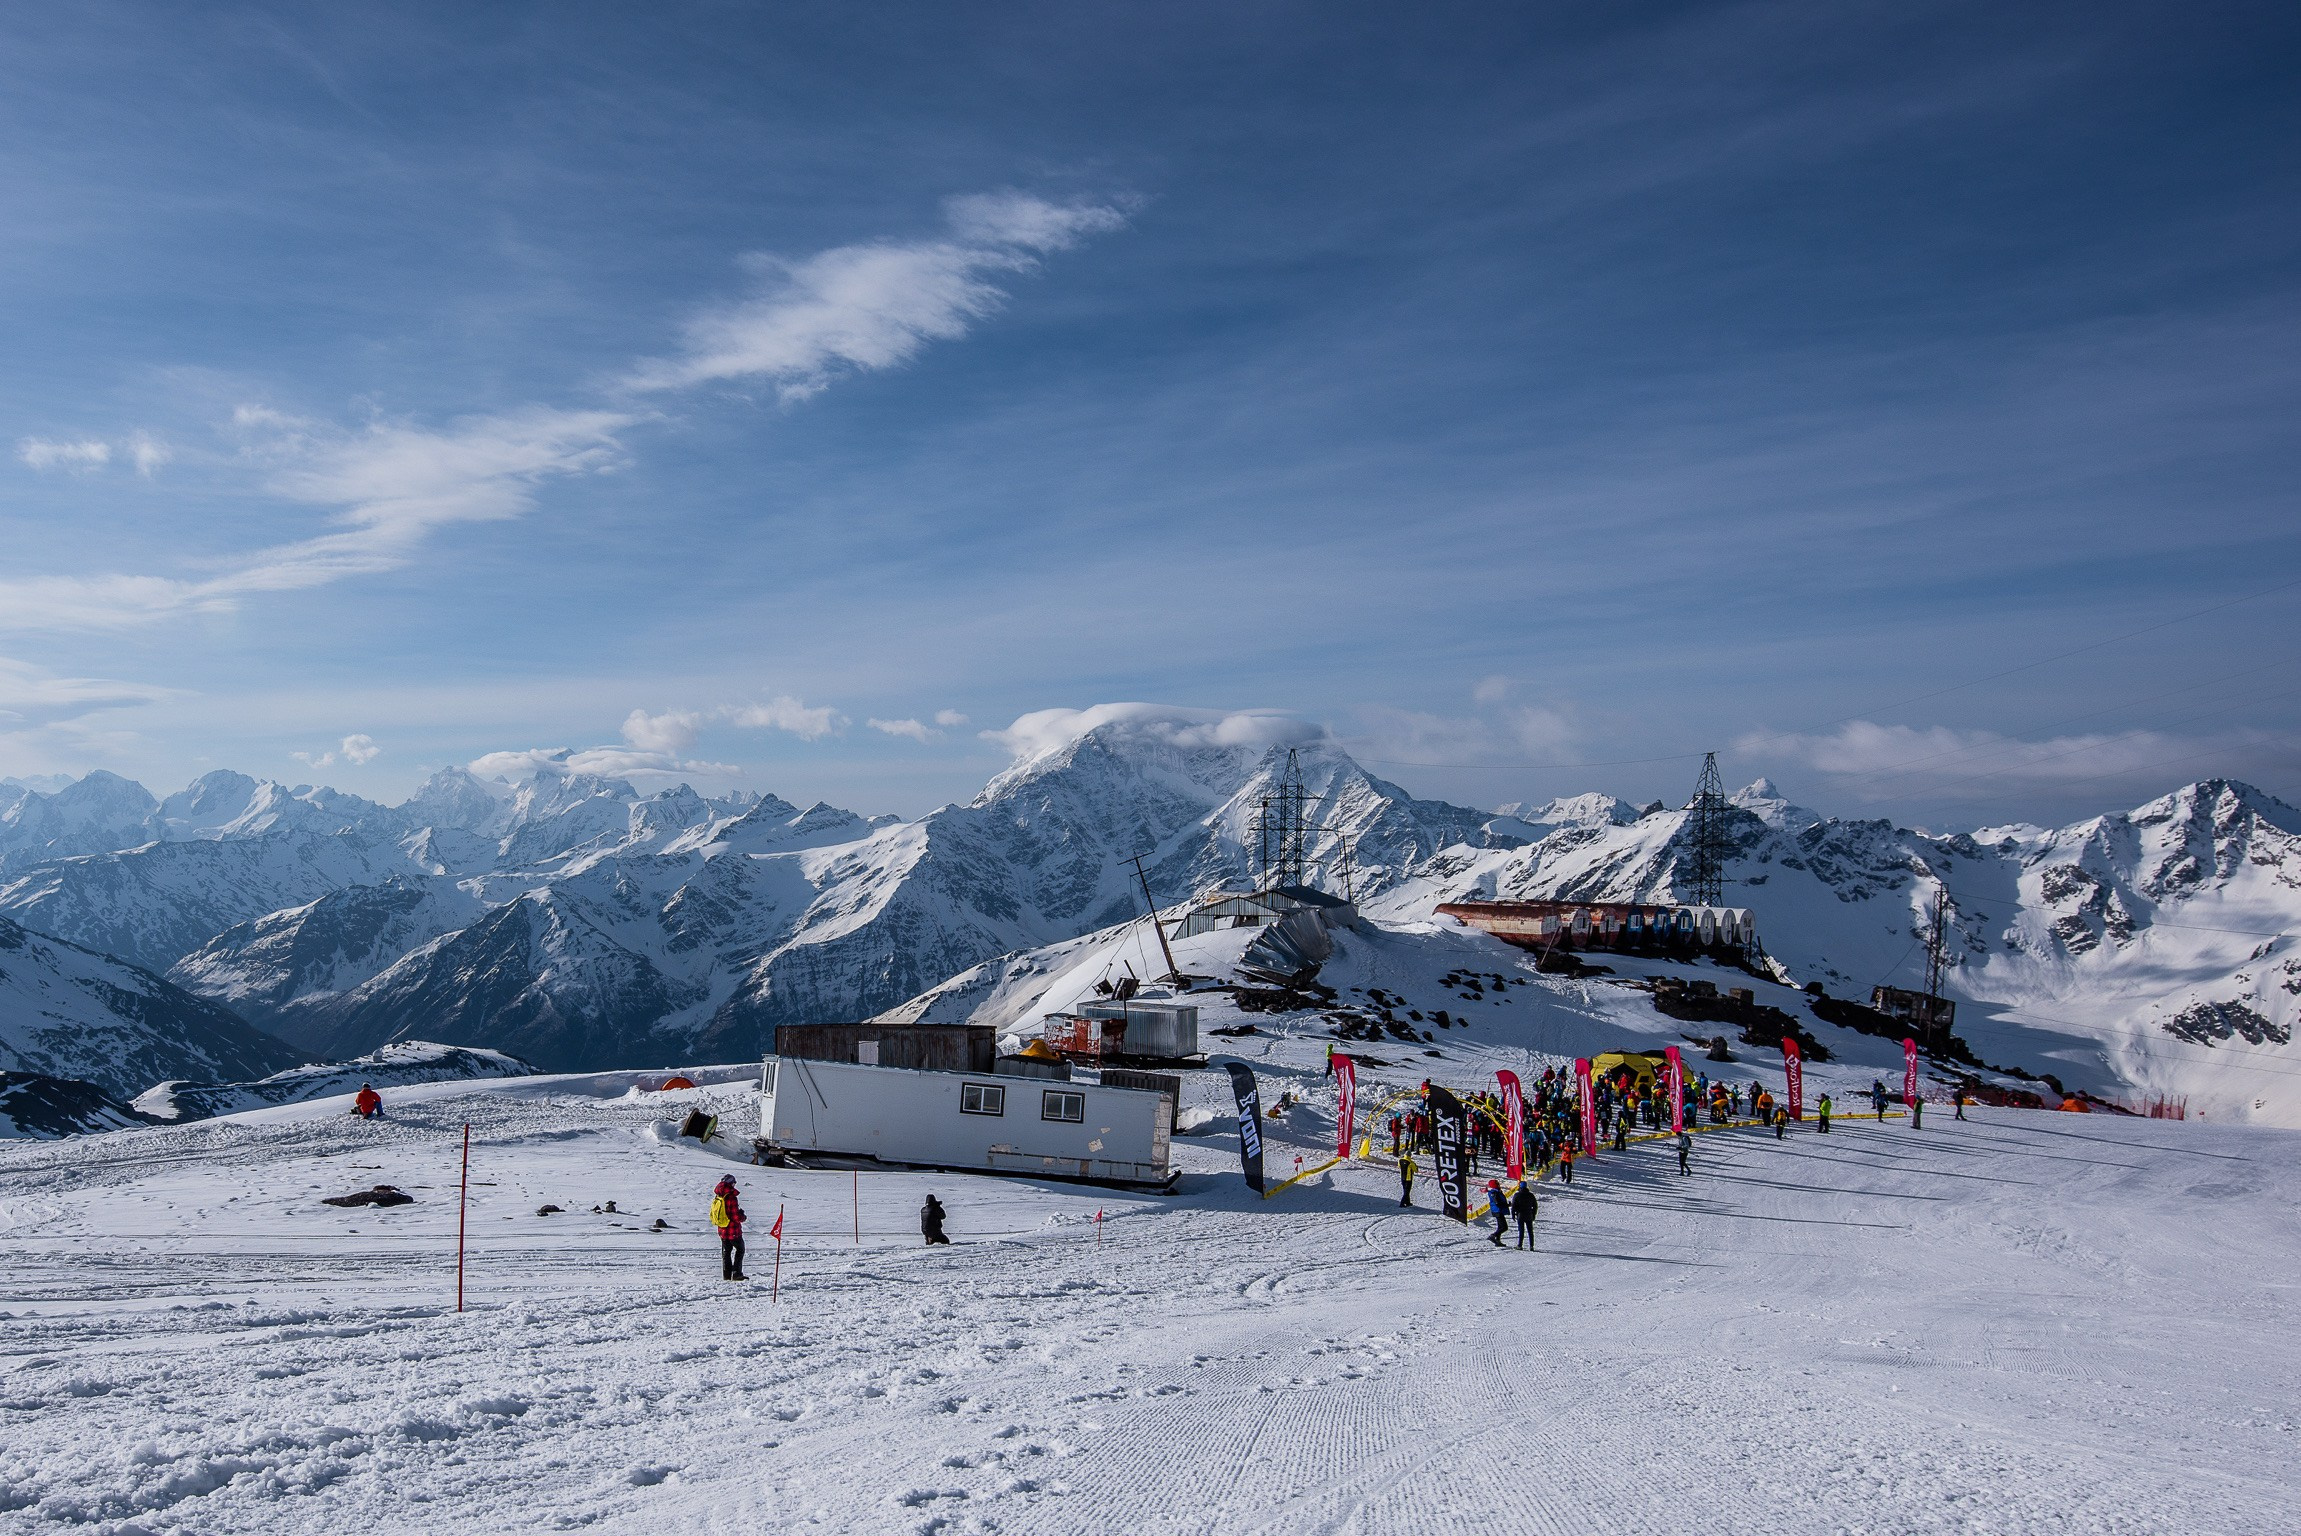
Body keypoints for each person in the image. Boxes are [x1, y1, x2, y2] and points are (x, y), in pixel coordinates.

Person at [710, 1175, 746, 1280]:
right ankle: (736, 1273)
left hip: (722, 1230)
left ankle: (726, 1275)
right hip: (733, 1230)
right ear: (730, 1184)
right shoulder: (731, 1197)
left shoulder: (718, 1195)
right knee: (740, 1249)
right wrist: (742, 1216)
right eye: (734, 1183)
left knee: (726, 1252)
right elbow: (736, 1217)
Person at [1510, 1181, 1539, 1249]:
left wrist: (1513, 1214)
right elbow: (1535, 1205)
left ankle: (1520, 1245)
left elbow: (1513, 1205)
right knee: (1530, 1231)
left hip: (1520, 1214)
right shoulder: (1531, 1195)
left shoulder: (1517, 1195)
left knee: (1521, 1230)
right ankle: (1531, 1246)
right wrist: (1533, 1214)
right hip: (1529, 1214)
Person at [1485, 1178, 1507, 1246]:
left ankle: (1497, 1241)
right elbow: (1497, 1202)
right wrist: (1506, 1205)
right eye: (1497, 1184)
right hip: (1498, 1210)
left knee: (1500, 1227)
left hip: (1497, 1210)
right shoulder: (1495, 1192)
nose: (1499, 1185)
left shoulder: (1496, 1191)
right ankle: (1493, 1235)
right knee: (1504, 1227)